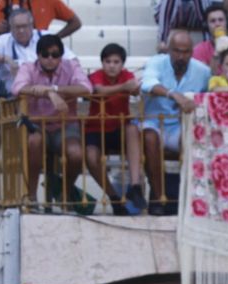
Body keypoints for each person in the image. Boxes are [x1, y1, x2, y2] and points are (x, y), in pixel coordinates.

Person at [14, 33, 92, 210]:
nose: (50, 59)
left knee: (76, 154)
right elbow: (17, 88)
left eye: (55, 55)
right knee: (34, 142)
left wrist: (54, 89)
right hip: (36, 125)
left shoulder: (71, 66)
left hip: (64, 125)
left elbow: (87, 88)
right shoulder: (28, 67)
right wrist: (48, 93)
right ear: (38, 55)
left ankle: (64, 193)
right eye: (45, 55)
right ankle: (31, 196)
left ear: (61, 56)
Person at [142, 28, 210, 214]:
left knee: (196, 138)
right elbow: (147, 83)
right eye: (177, 51)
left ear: (192, 51)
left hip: (182, 126)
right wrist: (173, 95)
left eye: (186, 51)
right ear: (169, 50)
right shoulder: (157, 62)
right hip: (155, 124)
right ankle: (158, 196)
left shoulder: (202, 71)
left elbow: (210, 94)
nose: (181, 56)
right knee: (149, 138)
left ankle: (189, 198)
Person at [83, 42, 147, 216]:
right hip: (95, 128)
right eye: (108, 61)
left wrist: (134, 89)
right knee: (90, 156)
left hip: (119, 127)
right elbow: (99, 90)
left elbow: (135, 89)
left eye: (116, 62)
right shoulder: (95, 76)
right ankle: (114, 197)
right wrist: (125, 88)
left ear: (122, 64)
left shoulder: (127, 75)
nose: (111, 65)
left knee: (133, 130)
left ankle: (134, 186)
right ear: (102, 63)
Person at [0, 8, 42, 100]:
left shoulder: (44, 37)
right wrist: (6, 59)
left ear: (31, 25)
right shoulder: (4, 40)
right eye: (17, 27)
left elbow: (68, 59)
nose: (21, 30)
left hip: (45, 93)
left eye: (24, 26)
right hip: (15, 98)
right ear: (11, 28)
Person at [0, 0, 81, 38]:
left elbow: (76, 23)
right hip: (12, 55)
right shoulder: (4, 3)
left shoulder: (49, 1)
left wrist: (54, 39)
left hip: (40, 55)